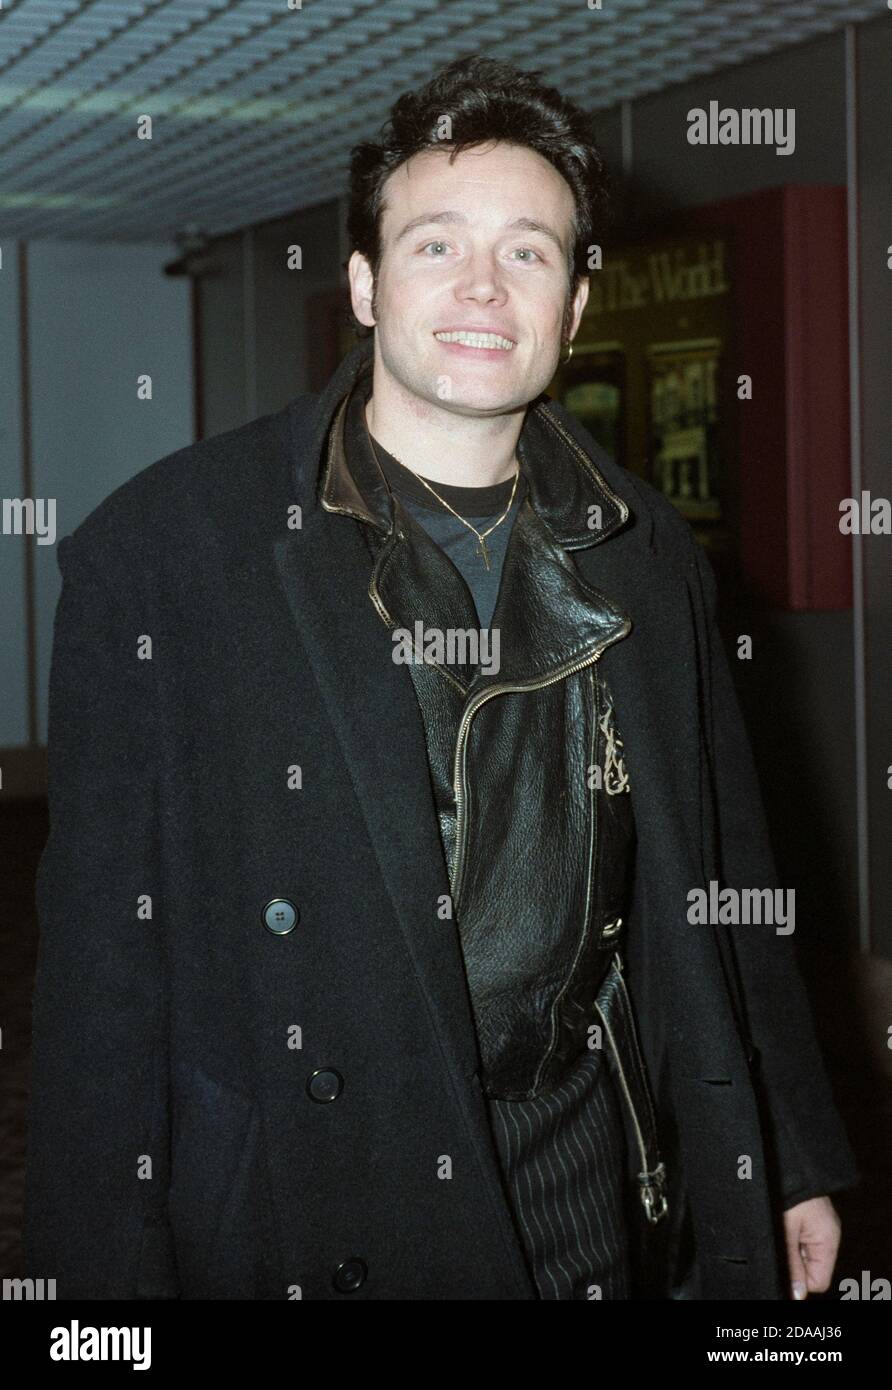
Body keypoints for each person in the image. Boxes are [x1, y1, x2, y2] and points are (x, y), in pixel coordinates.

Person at [23, 55, 858, 1301]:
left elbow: (722, 875)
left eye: (529, 251)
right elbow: (101, 973)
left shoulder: (645, 556)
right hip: (311, 1190)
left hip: (587, 1151)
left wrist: (783, 1148)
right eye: (435, 245)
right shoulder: (171, 553)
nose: (481, 285)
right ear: (363, 284)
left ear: (575, 302)